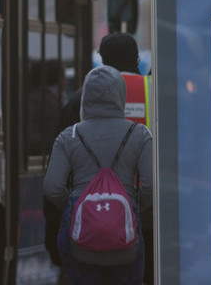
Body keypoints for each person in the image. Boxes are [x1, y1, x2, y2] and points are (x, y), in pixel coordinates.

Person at [44, 65, 153, 285]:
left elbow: (52, 187)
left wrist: (72, 207)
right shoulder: (139, 134)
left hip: (80, 241)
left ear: (86, 98)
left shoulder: (69, 136)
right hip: (126, 236)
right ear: (120, 95)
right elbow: (151, 185)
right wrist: (136, 208)